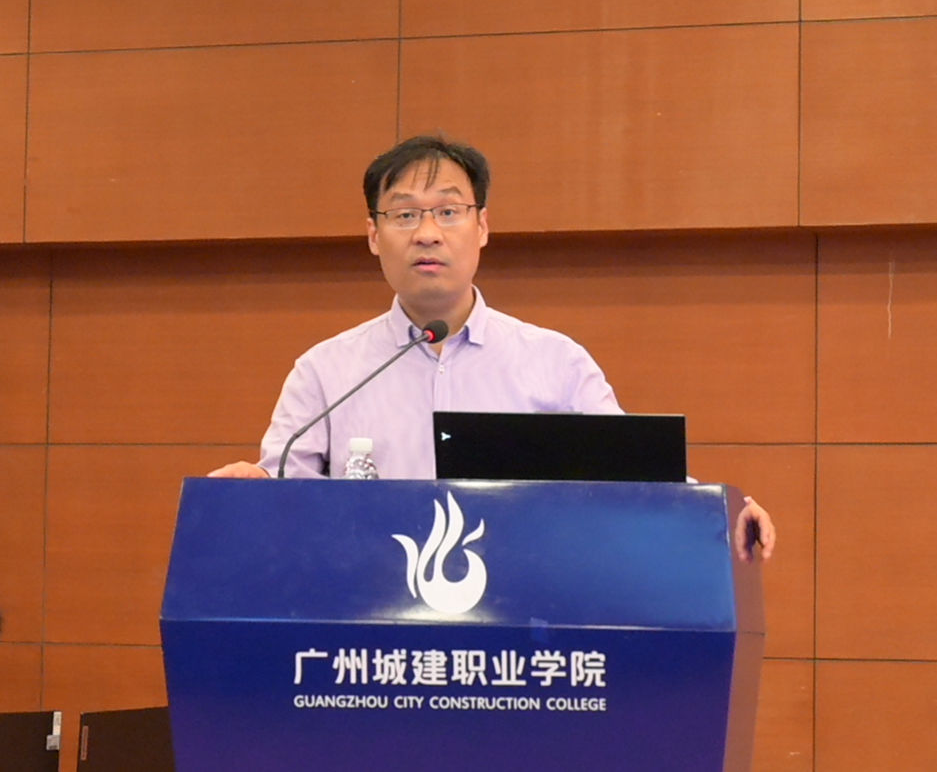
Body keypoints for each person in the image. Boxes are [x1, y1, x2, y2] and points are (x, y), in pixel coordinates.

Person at [209, 135, 775, 562]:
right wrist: (251, 488)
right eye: (404, 214)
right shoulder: (327, 371)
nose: (427, 232)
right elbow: (280, 493)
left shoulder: (554, 362)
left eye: (448, 211)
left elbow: (631, 474)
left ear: (482, 227)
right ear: (373, 235)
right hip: (368, 616)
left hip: (522, 615)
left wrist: (721, 510)